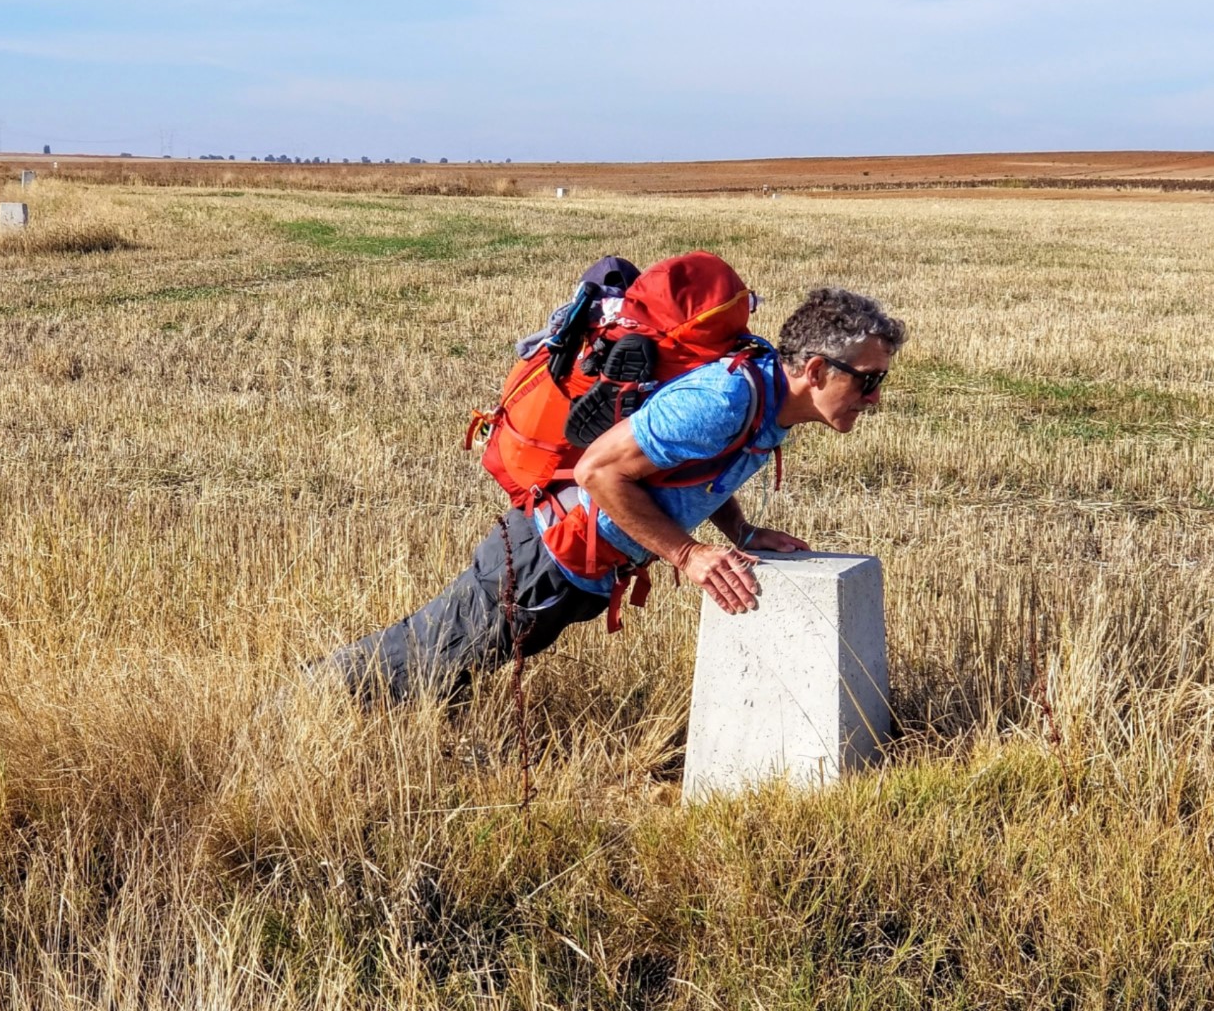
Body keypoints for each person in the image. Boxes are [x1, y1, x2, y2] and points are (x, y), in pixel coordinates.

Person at [325, 286, 906, 703]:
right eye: (868, 379)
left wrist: (741, 533)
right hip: (547, 556)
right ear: (814, 369)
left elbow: (698, 469)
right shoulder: (724, 400)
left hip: (582, 569)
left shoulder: (766, 402)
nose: (875, 398)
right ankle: (312, 697)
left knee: (452, 667)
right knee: (419, 660)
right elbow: (598, 472)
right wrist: (687, 554)